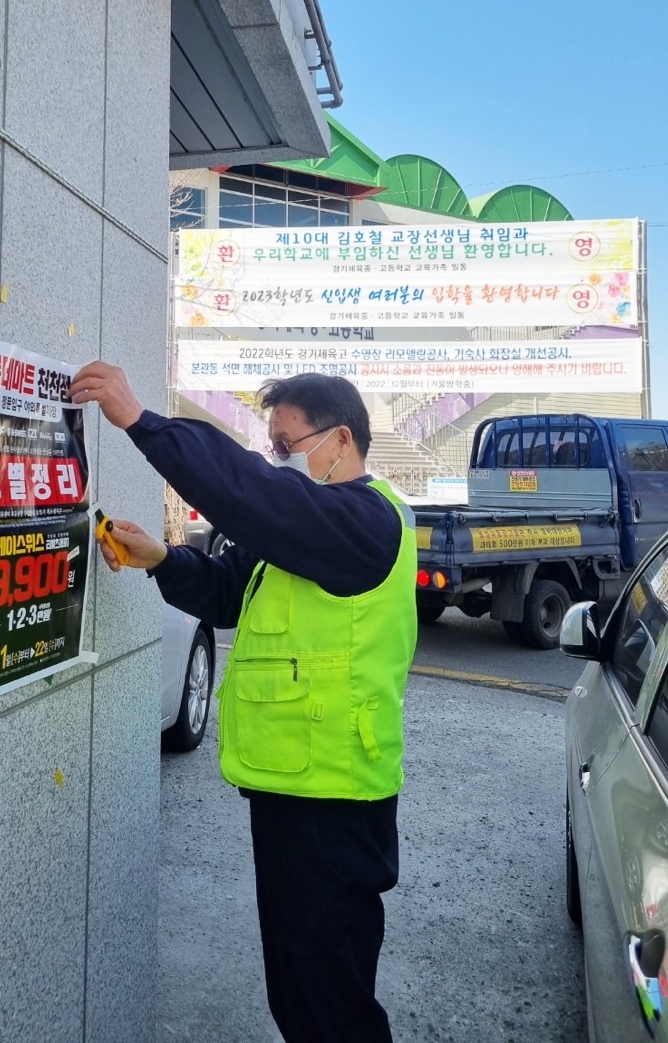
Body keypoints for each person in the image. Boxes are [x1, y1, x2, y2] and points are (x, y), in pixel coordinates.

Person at [68, 361, 417, 1043]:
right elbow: (228, 592)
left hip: (333, 799)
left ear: (340, 440)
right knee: (302, 989)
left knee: (327, 1004)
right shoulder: (308, 531)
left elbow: (248, 493)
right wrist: (160, 559)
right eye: (271, 448)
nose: (276, 460)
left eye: (286, 445)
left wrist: (143, 423)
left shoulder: (366, 521)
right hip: (294, 786)